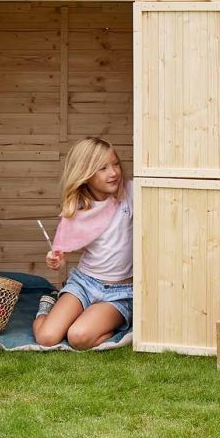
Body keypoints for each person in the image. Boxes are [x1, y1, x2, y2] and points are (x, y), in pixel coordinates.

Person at [33, 137, 133, 350]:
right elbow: (62, 251)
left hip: (120, 292)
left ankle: (99, 321)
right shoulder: (79, 209)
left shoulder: (129, 194)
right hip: (84, 284)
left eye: (115, 164)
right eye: (103, 168)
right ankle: (47, 307)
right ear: (85, 174)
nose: (113, 172)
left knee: (78, 337)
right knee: (46, 338)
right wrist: (55, 260)